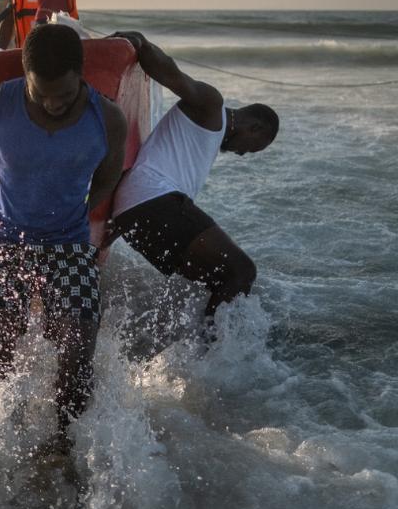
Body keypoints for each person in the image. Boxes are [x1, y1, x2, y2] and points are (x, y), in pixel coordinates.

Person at [0, 23, 127, 454]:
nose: (54, 103)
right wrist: (3, 207)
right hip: (6, 237)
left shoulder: (107, 118)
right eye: (42, 95)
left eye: (64, 94)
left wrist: (78, 209)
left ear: (81, 76)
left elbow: (110, 173)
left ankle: (63, 444)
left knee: (79, 343)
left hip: (68, 242)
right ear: (26, 77)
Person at [107, 31, 278, 320]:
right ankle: (210, 353)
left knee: (215, 282)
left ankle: (197, 352)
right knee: (243, 271)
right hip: (154, 201)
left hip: (134, 214)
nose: (241, 154)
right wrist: (140, 43)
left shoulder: (206, 137)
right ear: (255, 128)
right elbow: (171, 73)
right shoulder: (212, 107)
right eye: (250, 150)